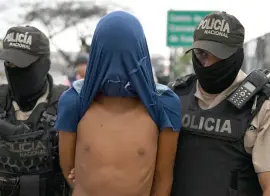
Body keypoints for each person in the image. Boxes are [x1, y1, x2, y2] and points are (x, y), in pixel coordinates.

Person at [56, 11, 181, 196]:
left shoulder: (163, 104)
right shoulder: (74, 100)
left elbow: (163, 178)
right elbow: (68, 169)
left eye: (126, 55)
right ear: (98, 54)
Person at [170, 11, 270, 196]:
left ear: (235, 55)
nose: (206, 64)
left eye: (217, 55)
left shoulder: (261, 106)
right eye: (201, 54)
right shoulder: (175, 97)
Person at [0, 25, 70, 196]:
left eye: (23, 64)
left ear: (44, 65)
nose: (14, 70)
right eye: (8, 63)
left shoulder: (67, 107)